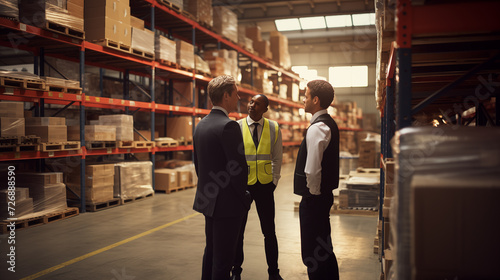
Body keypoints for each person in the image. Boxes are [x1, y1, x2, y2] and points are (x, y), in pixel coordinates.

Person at [193, 75, 251, 280]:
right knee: (223, 260)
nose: (238, 98)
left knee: (211, 252)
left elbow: (198, 165)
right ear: (226, 96)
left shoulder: (201, 125)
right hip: (227, 205)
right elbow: (238, 169)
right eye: (236, 94)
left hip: (208, 201)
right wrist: (244, 197)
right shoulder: (229, 126)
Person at [232, 94, 284, 280]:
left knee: (269, 232)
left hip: (264, 185)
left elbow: (277, 158)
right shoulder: (236, 127)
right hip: (242, 186)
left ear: (265, 109)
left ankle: (274, 273)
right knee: (238, 232)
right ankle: (236, 272)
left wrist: (274, 181)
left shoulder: (273, 127)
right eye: (251, 101)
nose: (252, 105)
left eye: (257, 103)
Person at [294, 80, 340, 280]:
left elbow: (312, 170)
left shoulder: (318, 128)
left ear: (315, 100)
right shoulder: (328, 123)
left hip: (315, 199)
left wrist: (313, 195)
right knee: (323, 247)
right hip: (323, 197)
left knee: (312, 252)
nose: (303, 100)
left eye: (305, 96)